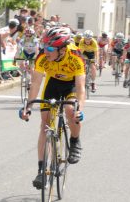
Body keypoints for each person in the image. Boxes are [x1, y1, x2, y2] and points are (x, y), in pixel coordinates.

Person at [20, 27, 85, 190]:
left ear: (62, 49)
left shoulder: (75, 57)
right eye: (45, 46)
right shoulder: (42, 56)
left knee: (70, 110)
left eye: (50, 48)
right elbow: (35, 83)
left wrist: (79, 109)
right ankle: (41, 171)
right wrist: (28, 107)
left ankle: (75, 141)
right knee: (45, 123)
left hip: (71, 85)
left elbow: (80, 87)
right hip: (53, 84)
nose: (46, 51)